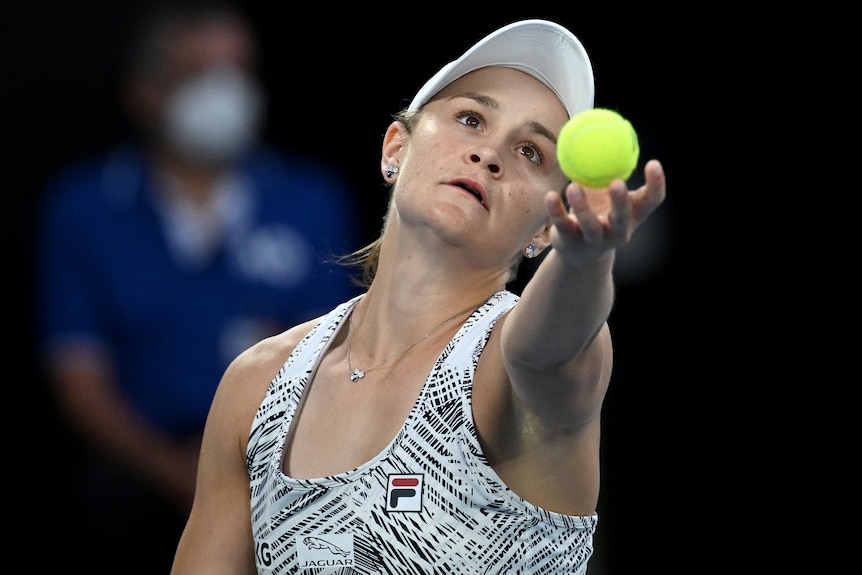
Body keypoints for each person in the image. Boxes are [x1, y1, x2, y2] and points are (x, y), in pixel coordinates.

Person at [171, 18, 666, 575]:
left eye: (531, 152)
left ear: (544, 232)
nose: (491, 154)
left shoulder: (514, 360)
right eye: (472, 119)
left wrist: (584, 259)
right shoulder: (255, 383)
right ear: (395, 148)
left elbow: (551, 346)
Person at [33, 2, 361, 572]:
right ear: (146, 91)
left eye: (238, 72)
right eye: (202, 75)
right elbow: (78, 381)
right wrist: (179, 474)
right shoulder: (83, 207)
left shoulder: (312, 199)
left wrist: (242, 474)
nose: (225, 92)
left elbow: (338, 364)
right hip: (138, 473)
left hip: (281, 463)